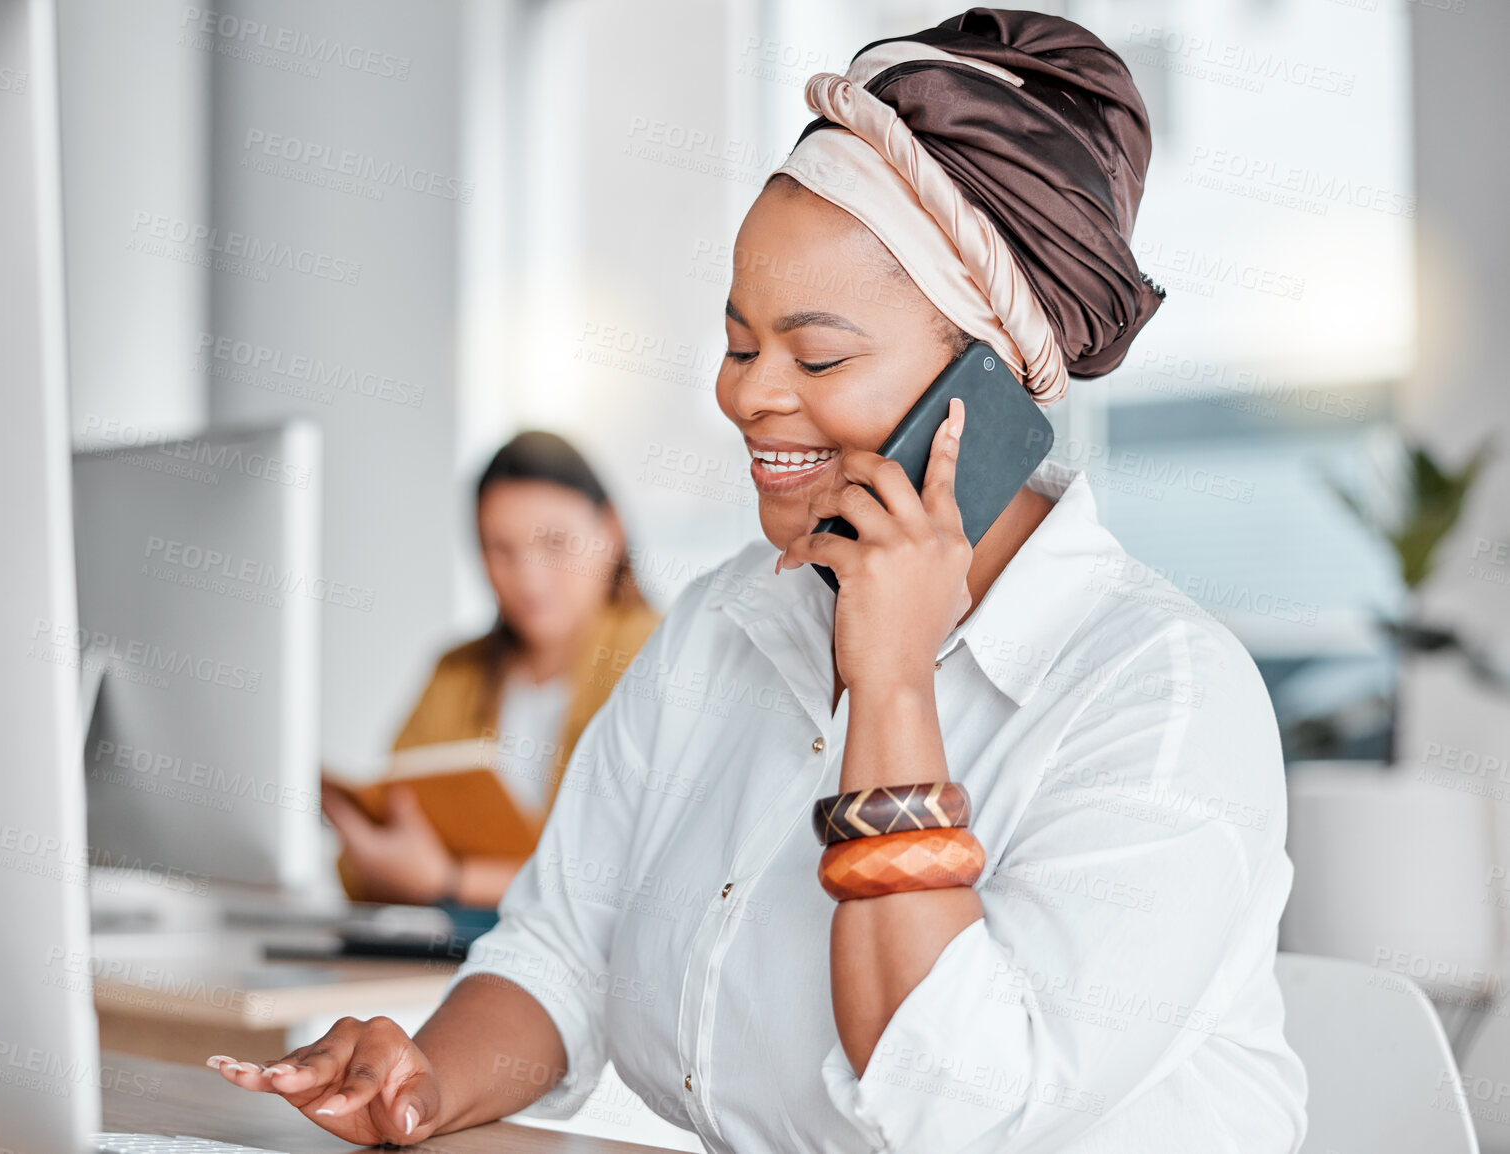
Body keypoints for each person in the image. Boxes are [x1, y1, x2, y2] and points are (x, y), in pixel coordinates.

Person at [213, 11, 1309, 1152]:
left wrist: (888, 687)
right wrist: (423, 1078)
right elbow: (558, 952)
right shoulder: (725, 625)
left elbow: (957, 1106)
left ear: (986, 386)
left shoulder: (1164, 697)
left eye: (817, 356)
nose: (744, 397)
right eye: (739, 346)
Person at [321, 431, 659, 908]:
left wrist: (453, 880)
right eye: (500, 548)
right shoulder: (456, 672)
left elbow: (637, 877)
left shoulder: (663, 655)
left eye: (556, 543)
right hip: (442, 953)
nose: (528, 578)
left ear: (611, 530)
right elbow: (371, 855)